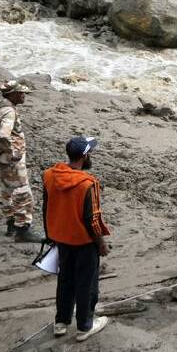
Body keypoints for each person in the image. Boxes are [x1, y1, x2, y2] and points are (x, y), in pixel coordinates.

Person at [43, 136, 111, 341]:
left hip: (61, 237)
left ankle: (61, 322)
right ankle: (84, 326)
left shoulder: (49, 175)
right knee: (87, 284)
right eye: (90, 152)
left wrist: (50, 235)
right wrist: (101, 243)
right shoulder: (87, 184)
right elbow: (93, 218)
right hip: (83, 242)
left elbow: (45, 208)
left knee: (65, 280)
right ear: (85, 156)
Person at [0, 80, 43, 243]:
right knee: (23, 193)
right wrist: (12, 152)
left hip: (2, 158)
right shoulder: (9, 112)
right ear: (12, 94)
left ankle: (11, 225)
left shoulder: (0, 107)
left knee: (7, 191)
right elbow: (3, 135)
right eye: (21, 93)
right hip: (12, 161)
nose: (23, 96)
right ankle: (23, 230)